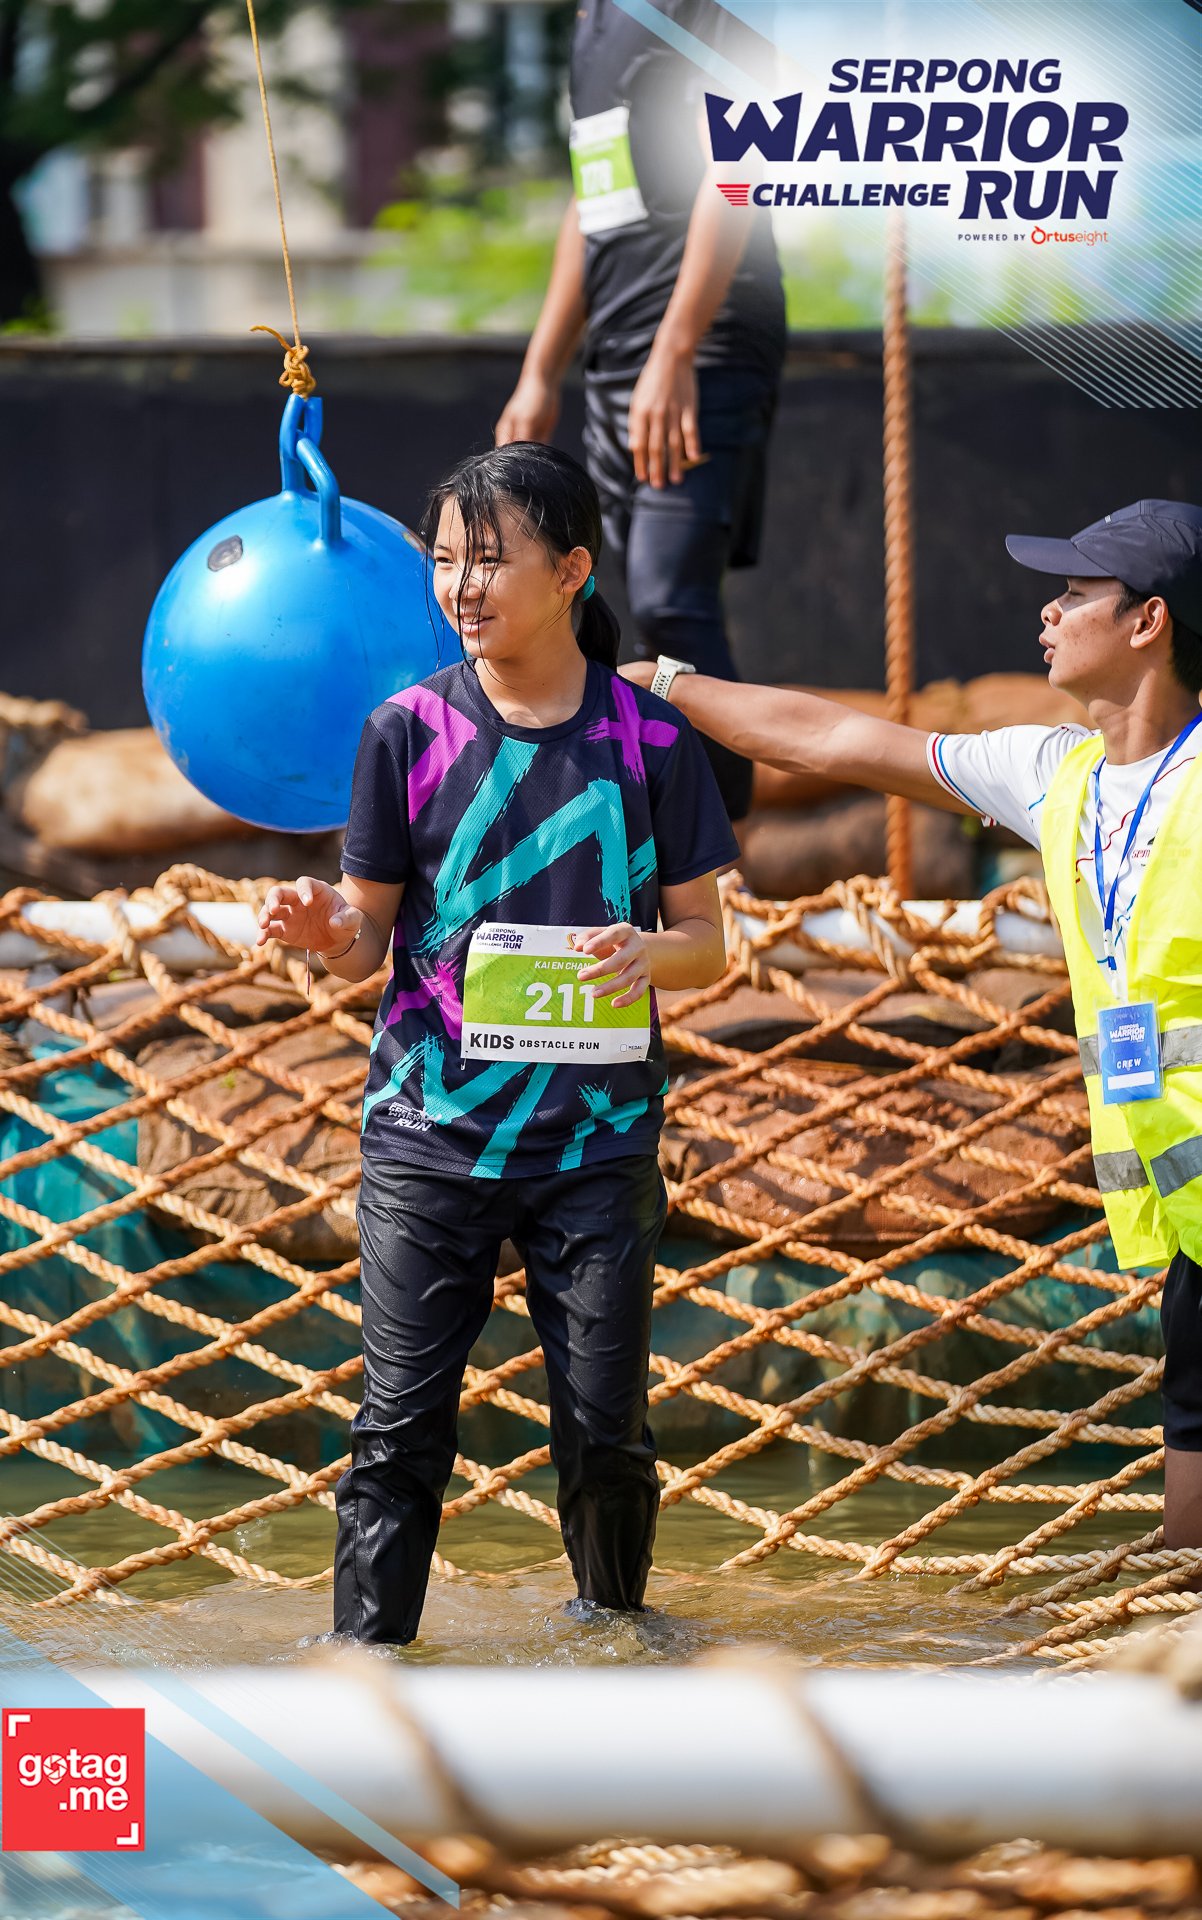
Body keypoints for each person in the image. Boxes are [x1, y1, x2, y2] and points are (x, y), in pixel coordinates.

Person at [621, 499, 1202, 1555]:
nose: (1048, 610)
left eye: (1076, 593)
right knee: (1185, 1516)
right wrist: (662, 685)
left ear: (1147, 621)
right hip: (1182, 1213)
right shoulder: (1056, 773)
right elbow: (830, 739)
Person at [257, 442, 736, 1644]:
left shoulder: (651, 741)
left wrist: (645, 955)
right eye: (444, 560)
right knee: (396, 1429)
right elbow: (365, 938)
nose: (459, 587)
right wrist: (324, 927)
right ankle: (366, 1670)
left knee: (606, 1430)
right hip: (427, 1136)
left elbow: (707, 946)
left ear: (571, 570)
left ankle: (615, 1649)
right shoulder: (402, 731)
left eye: (487, 559)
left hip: (597, 1144)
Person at [494, 0, 786, 827]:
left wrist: (678, 345)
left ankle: (724, 856)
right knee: (623, 610)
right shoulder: (593, 20)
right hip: (617, 349)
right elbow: (590, 204)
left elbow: (743, 161)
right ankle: (664, 849)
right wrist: (541, 370)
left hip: (706, 339)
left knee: (670, 603)